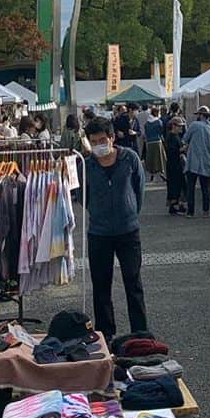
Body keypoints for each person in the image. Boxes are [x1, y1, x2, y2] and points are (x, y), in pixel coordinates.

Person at [83, 117, 148, 343]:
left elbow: (139, 188)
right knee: (101, 284)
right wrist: (94, 209)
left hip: (128, 230)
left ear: (112, 138)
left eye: (102, 140)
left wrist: (130, 210)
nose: (98, 145)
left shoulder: (129, 158)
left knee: (133, 281)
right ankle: (105, 333)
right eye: (93, 142)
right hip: (98, 232)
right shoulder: (87, 163)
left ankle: (140, 331)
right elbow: (81, 194)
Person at [182, 107, 210, 217]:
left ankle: (190, 212)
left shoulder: (194, 125)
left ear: (201, 115)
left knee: (191, 187)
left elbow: (185, 139)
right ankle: (206, 211)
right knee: (205, 188)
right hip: (206, 160)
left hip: (193, 161)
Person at [164, 117, 186, 215]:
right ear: (173, 126)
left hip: (176, 164)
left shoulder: (175, 136)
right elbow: (172, 151)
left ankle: (179, 204)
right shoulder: (171, 137)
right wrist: (182, 149)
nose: (181, 128)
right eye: (179, 126)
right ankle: (174, 206)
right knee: (175, 185)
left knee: (180, 184)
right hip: (173, 165)